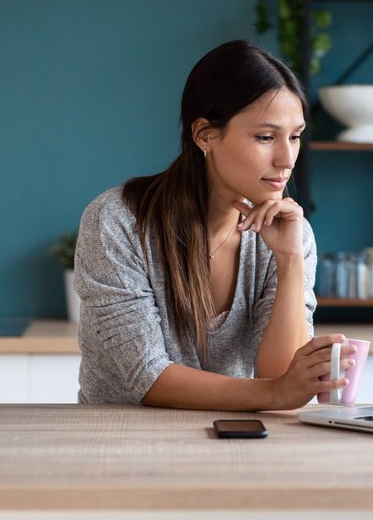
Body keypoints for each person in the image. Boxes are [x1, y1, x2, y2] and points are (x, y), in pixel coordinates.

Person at [75, 40, 353, 410]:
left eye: (295, 136)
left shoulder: (290, 233)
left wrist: (290, 261)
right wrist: (276, 392)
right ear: (205, 134)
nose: (287, 159)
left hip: (230, 443)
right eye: (266, 137)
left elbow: (282, 377)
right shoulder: (117, 221)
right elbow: (148, 377)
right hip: (119, 445)